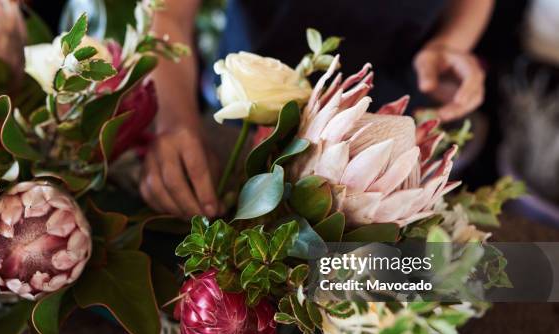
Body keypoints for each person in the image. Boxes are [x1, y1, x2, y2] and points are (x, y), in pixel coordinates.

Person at [141, 0, 494, 220]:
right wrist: (174, 122)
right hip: (249, 114)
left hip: (380, 138)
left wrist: (450, 43)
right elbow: (168, 14)